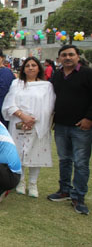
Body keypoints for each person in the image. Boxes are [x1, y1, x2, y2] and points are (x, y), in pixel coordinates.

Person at [1, 57, 55, 198]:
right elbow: (9, 103)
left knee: (35, 152)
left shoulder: (46, 86)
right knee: (19, 152)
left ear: (39, 68)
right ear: (23, 69)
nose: (30, 68)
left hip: (38, 124)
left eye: (33, 65)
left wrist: (33, 120)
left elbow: (49, 106)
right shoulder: (16, 83)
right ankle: (21, 181)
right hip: (18, 122)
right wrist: (22, 116)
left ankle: (33, 183)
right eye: (27, 66)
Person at [48, 45, 92, 215]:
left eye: (71, 55)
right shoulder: (57, 75)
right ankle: (64, 190)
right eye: (64, 55)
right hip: (60, 125)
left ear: (78, 56)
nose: (67, 57)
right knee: (64, 159)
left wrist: (89, 118)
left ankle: (78, 197)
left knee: (81, 162)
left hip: (81, 126)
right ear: (59, 58)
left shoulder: (87, 73)